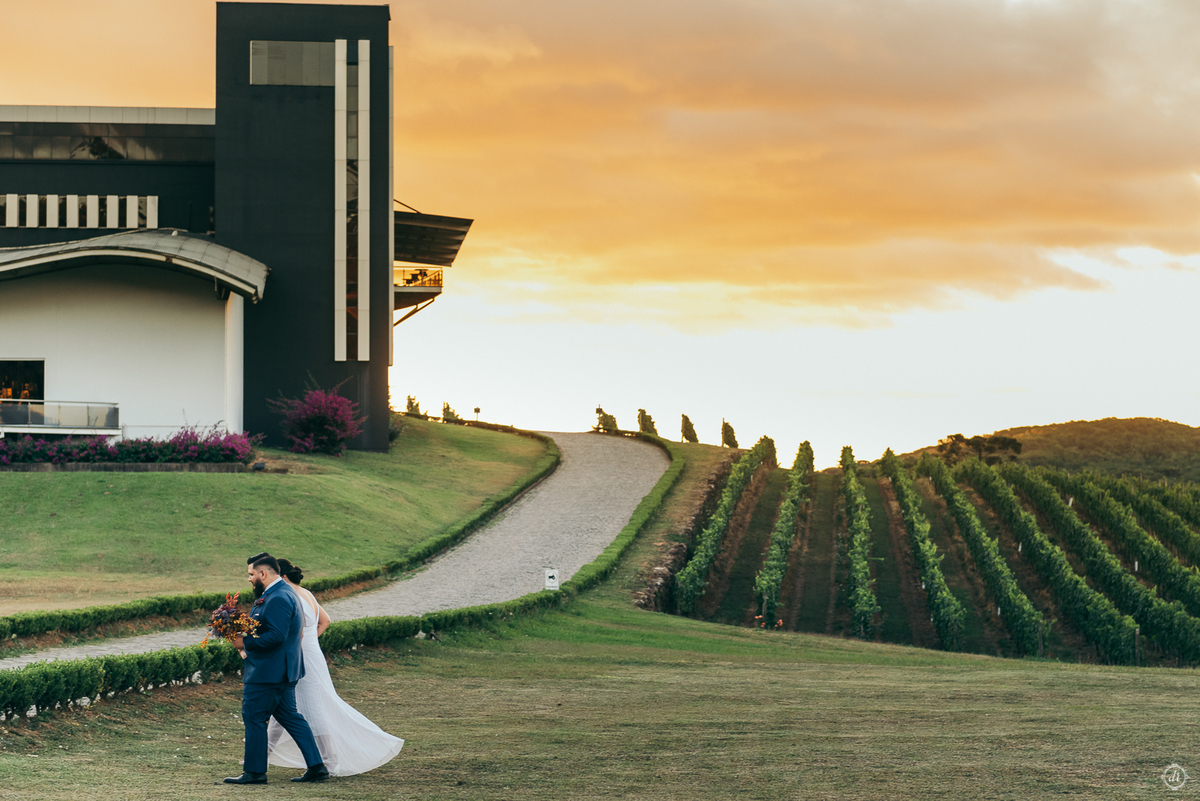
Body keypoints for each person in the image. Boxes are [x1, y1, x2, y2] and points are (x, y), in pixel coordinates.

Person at [266, 558, 404, 776]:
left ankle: (329, 760)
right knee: (283, 705)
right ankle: (263, 754)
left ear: (281, 577)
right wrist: (310, 642)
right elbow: (325, 621)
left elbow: (295, 632)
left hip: (300, 657)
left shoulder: (290, 597)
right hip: (312, 654)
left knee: (309, 707)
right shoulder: (307, 593)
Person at [224, 553, 329, 785]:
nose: (249, 579)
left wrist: (244, 643)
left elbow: (277, 636)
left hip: (269, 673)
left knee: (253, 717)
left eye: (251, 574)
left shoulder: (279, 596)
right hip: (281, 671)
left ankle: (254, 772)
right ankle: (317, 767)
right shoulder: (277, 593)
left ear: (263, 573)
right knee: (291, 718)